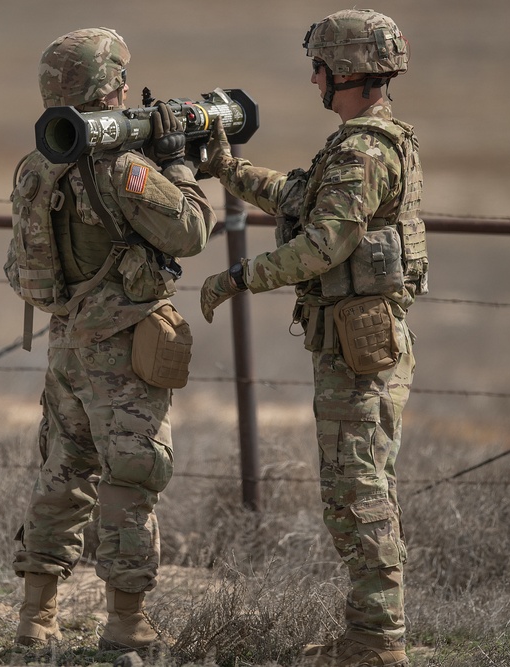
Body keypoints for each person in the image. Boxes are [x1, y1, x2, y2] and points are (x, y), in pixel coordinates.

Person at [197, 9, 427, 667]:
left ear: (345, 71)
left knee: (358, 491)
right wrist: (228, 169)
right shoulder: (373, 142)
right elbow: (299, 196)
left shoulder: (361, 150)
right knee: (354, 489)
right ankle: (368, 634)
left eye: (319, 67)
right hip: (358, 343)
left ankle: (379, 643)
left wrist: (239, 277)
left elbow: (324, 243)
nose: (312, 78)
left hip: (360, 351)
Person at [6, 27, 217, 652]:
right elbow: (190, 232)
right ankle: (126, 623)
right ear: (109, 88)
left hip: (67, 343)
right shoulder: (124, 168)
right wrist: (181, 166)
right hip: (123, 346)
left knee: (61, 473)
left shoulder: (40, 163)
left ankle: (34, 618)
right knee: (131, 476)